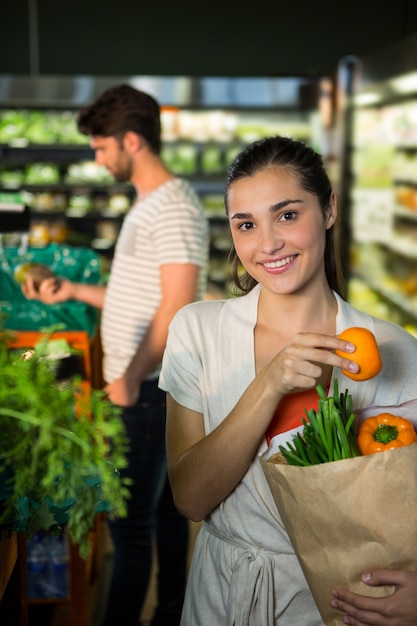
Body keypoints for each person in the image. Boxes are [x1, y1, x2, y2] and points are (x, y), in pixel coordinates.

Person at [158, 135, 417, 626]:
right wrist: (269, 384)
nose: (268, 243)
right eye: (247, 225)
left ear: (329, 209)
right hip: (223, 594)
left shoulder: (395, 350)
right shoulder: (198, 331)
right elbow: (190, 498)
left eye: (288, 215)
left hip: (340, 600)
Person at [22, 84, 209, 626]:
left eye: (102, 147)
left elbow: (175, 307)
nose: (98, 159)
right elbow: (141, 296)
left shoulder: (171, 207)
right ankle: (173, 610)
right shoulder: (148, 205)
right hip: (145, 386)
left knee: (129, 530)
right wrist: (75, 291)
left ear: (132, 140)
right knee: (166, 513)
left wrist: (127, 378)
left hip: (147, 390)